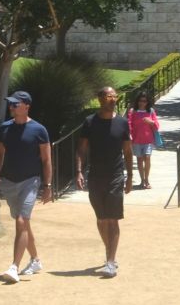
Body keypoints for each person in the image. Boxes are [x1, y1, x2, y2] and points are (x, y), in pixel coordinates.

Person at [0, 90, 52, 283]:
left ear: (26, 106)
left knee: (20, 221)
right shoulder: (5, 128)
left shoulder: (39, 130)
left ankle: (14, 267)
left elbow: (46, 159)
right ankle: (35, 260)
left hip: (30, 181)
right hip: (9, 182)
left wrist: (47, 184)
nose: (12, 107)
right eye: (11, 104)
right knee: (24, 223)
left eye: (15, 104)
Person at [75, 84, 133, 278]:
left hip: (116, 175)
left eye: (115, 96)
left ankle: (110, 261)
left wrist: (131, 176)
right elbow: (82, 149)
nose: (113, 99)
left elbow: (127, 150)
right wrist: (79, 171)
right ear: (100, 99)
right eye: (109, 96)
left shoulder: (123, 123)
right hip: (96, 176)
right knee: (101, 219)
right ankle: (110, 250)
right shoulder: (90, 122)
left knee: (112, 218)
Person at [127, 92, 160, 189]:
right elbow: (129, 124)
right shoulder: (133, 111)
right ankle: (142, 180)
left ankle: (147, 179)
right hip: (136, 140)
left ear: (147, 102)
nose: (142, 103)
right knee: (140, 159)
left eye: (144, 101)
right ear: (137, 101)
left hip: (148, 139)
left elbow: (157, 125)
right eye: (140, 101)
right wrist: (129, 134)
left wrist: (151, 122)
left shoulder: (151, 111)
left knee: (147, 157)